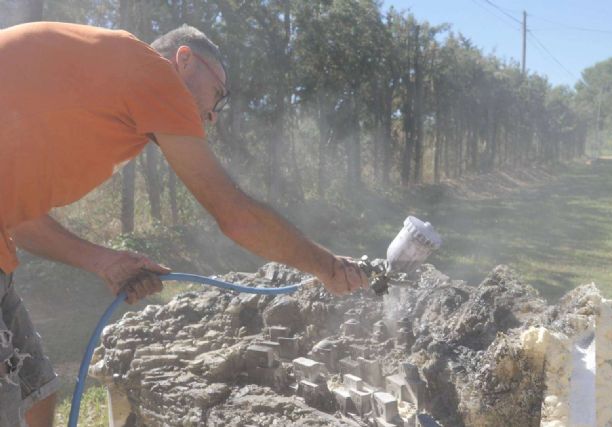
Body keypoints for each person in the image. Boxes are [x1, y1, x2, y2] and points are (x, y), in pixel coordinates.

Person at [0, 22, 368, 426]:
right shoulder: (150, 70)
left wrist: (105, 261)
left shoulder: (107, 93)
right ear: (185, 59)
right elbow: (235, 215)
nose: (211, 116)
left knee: (36, 389)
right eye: (218, 96)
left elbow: (24, 219)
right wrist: (327, 267)